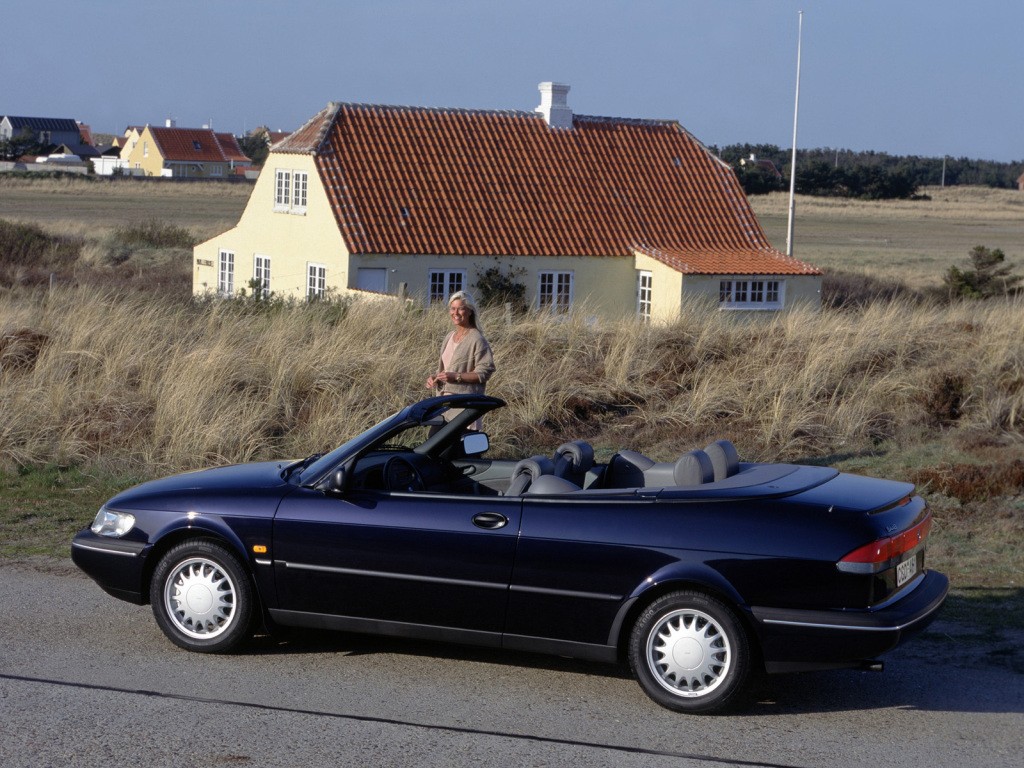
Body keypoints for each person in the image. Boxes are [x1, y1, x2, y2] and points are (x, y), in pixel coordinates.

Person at [426, 291, 495, 427]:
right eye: (453, 308)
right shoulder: (449, 337)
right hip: (443, 406)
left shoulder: (476, 339)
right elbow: (447, 369)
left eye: (461, 308)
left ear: (469, 311)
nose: (455, 313)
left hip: (464, 408)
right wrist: (435, 377)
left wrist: (456, 376)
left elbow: (485, 372)